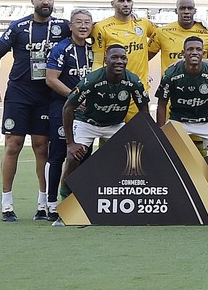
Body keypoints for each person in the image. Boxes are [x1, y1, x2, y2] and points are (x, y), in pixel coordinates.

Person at [0, 0, 70, 222]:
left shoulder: (62, 27)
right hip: (19, 93)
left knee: (42, 147)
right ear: (32, 0)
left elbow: (86, 32)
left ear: (54, 2)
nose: (45, 1)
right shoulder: (18, 27)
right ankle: (6, 205)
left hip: (46, 95)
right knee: (13, 144)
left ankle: (43, 204)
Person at [59, 44, 150, 196]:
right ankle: (64, 203)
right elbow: (68, 107)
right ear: (106, 61)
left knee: (133, 158)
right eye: (114, 57)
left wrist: (145, 136)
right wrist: (71, 143)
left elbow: (144, 110)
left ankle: (116, 198)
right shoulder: (92, 80)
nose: (119, 61)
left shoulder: (133, 81)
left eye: (123, 58)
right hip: (87, 123)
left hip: (114, 125)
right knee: (73, 157)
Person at [44, 8, 93, 218]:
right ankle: (52, 203)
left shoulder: (95, 50)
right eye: (78, 22)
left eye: (87, 22)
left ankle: (75, 201)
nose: (83, 26)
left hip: (88, 113)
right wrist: (75, 98)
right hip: (63, 109)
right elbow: (51, 79)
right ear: (70, 26)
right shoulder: (61, 49)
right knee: (58, 156)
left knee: (84, 156)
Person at [156, 37, 208, 154]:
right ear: (183, 53)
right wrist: (160, 133)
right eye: (190, 49)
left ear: (203, 53)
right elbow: (161, 104)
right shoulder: (170, 74)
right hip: (179, 121)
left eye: (198, 49)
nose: (194, 52)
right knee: (163, 153)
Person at [91, 0, 158, 121]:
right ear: (113, 4)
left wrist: (197, 26)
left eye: (129, 0)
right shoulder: (101, 27)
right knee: (111, 135)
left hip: (139, 89)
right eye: (121, 1)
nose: (126, 4)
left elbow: (163, 36)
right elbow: (98, 60)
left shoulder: (143, 23)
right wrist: (97, 84)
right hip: (113, 89)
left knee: (140, 135)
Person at [150, 0, 208, 75]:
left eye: (190, 8)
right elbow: (143, 58)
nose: (186, 11)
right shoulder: (161, 32)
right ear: (176, 11)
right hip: (171, 85)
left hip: (200, 85)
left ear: (194, 11)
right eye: (182, 8)